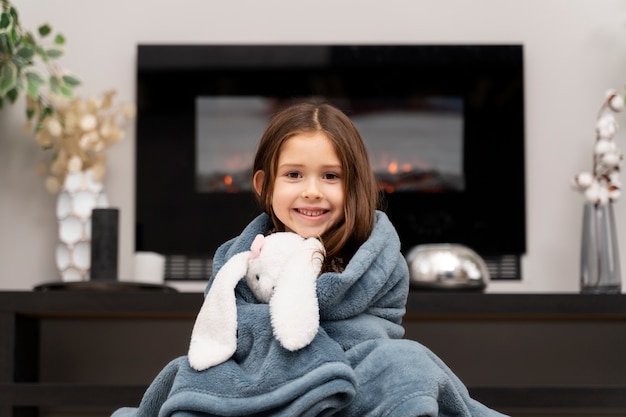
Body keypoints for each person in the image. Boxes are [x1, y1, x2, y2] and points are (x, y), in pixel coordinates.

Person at [112, 102, 508, 417]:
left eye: (331, 177)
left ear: (354, 185)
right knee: (187, 373)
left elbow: (376, 333)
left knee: (406, 363)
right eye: (295, 175)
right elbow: (231, 332)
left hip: (356, 376)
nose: (312, 191)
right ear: (265, 186)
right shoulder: (244, 260)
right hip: (264, 379)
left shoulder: (375, 260)